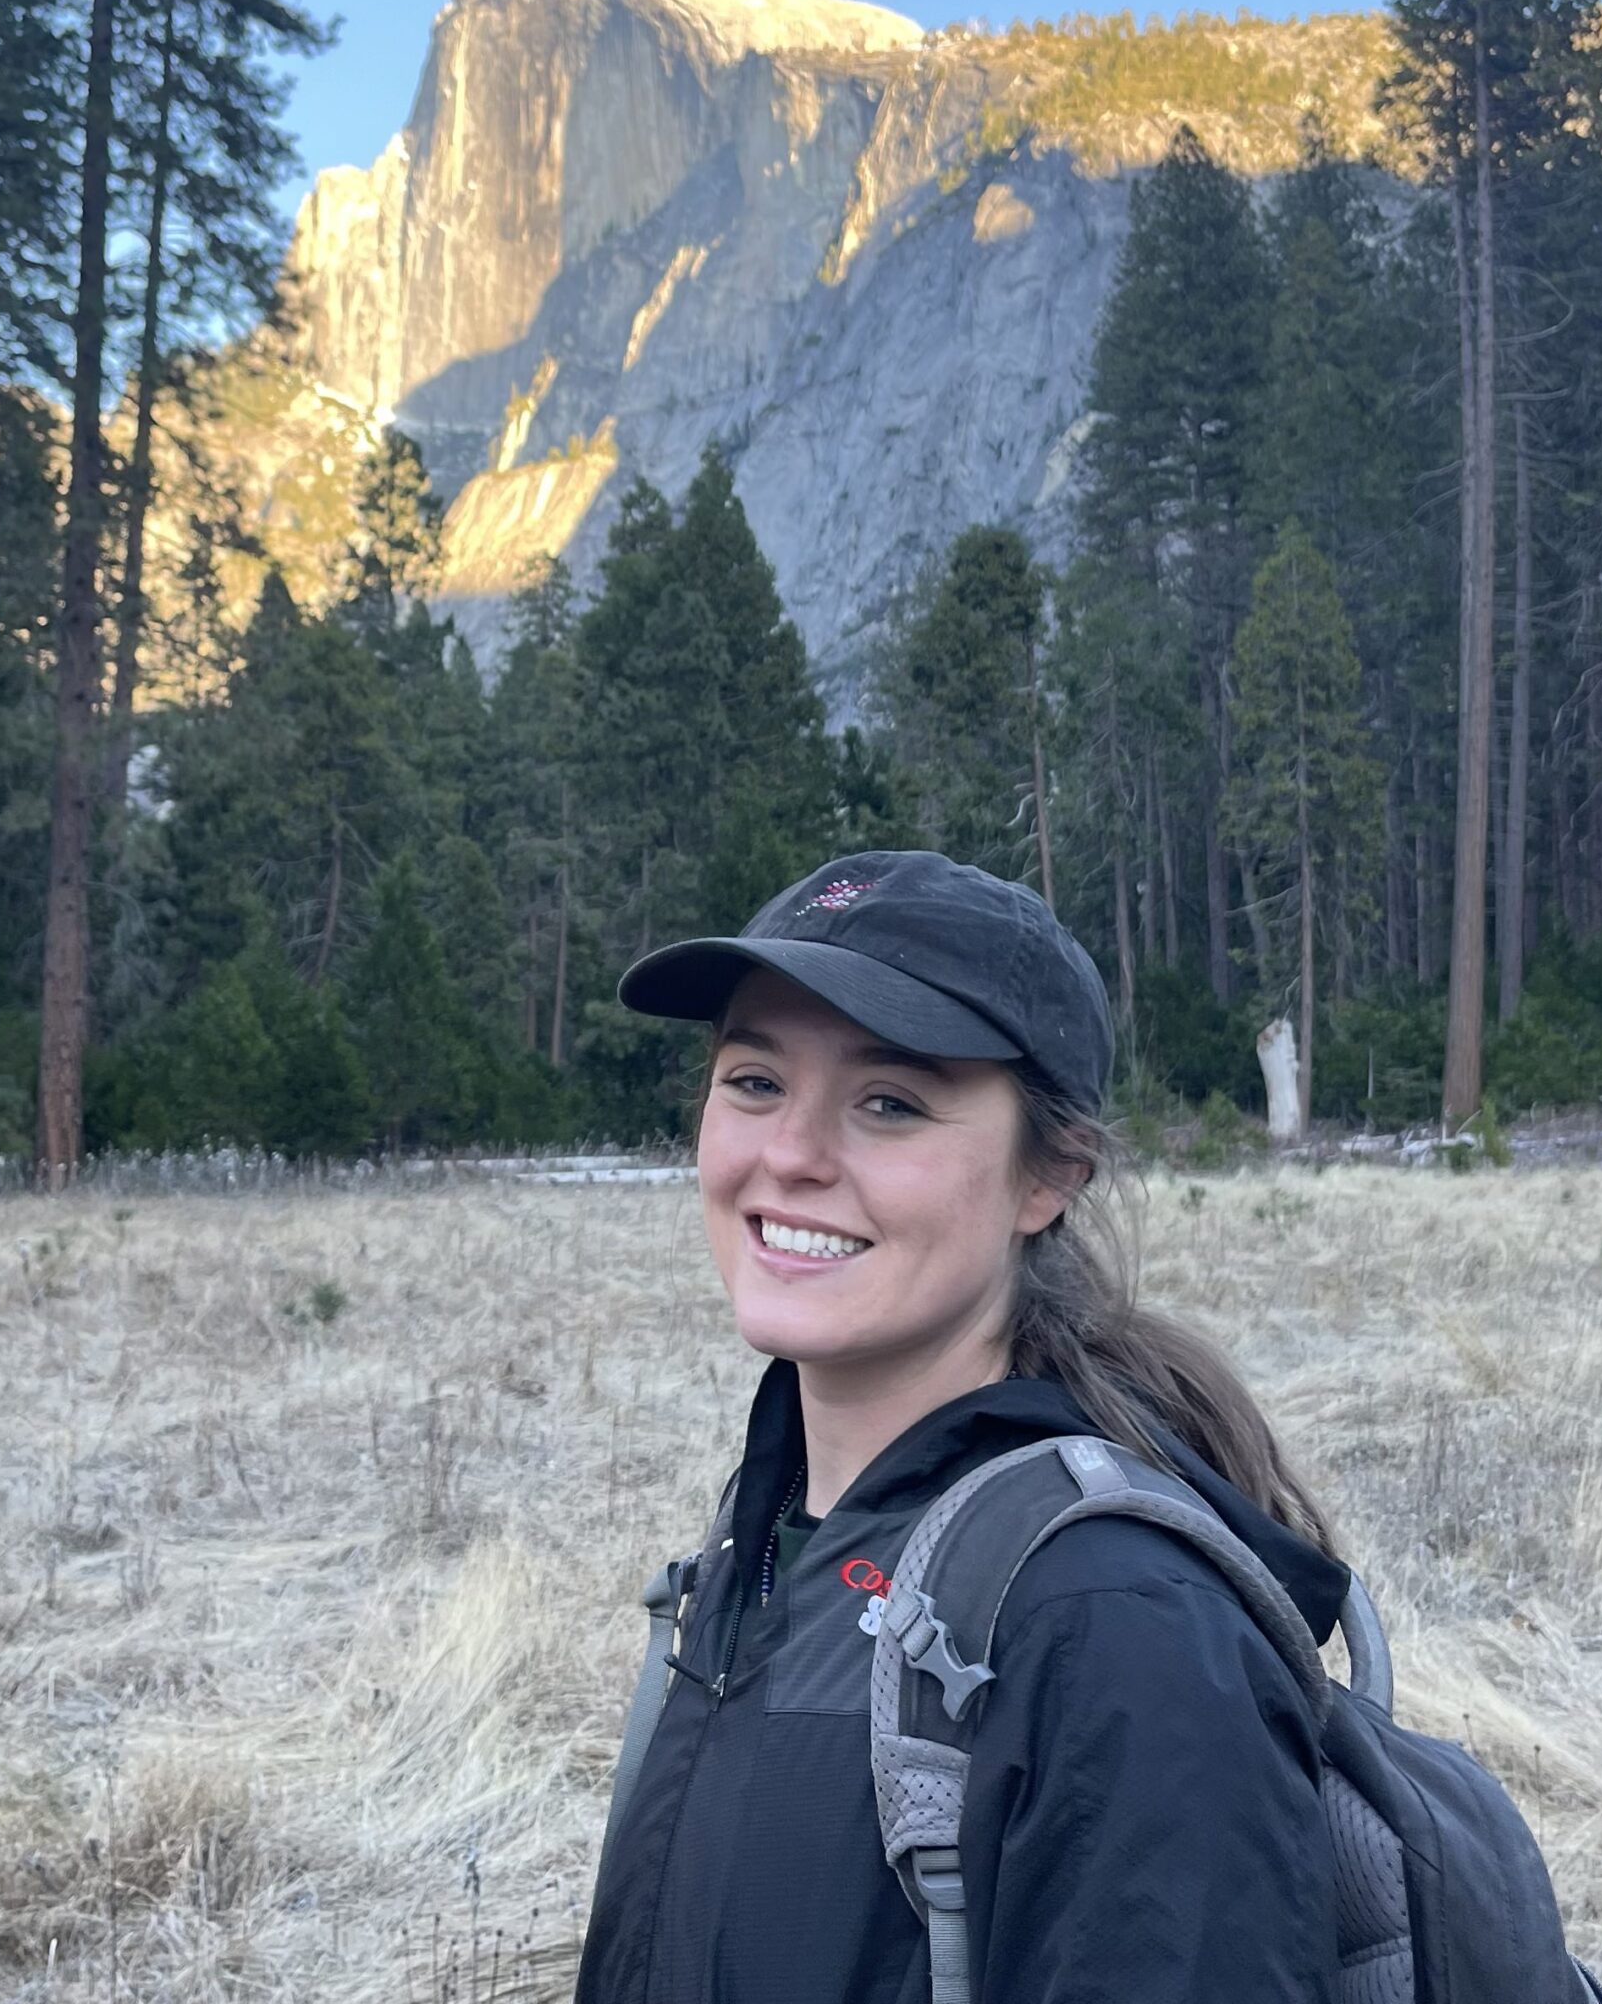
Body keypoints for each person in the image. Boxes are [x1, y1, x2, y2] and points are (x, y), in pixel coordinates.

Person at [573, 848, 1345, 2004]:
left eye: (889, 1102)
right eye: (753, 1080)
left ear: (1051, 1175)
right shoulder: (773, 1535)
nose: (788, 1154)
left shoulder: (1118, 1629)